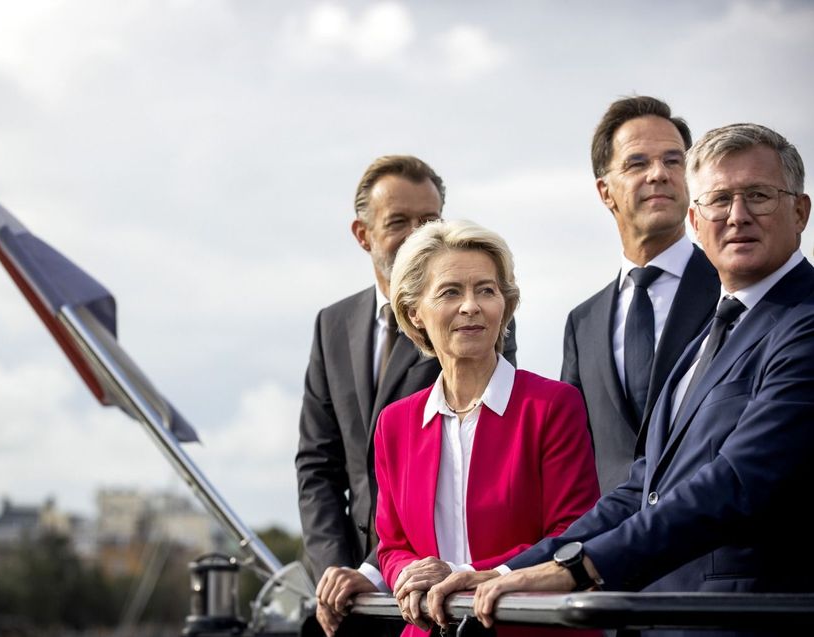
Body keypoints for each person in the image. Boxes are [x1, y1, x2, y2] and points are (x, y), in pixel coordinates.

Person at [437, 123, 813, 637]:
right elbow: (644, 486)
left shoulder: (805, 324)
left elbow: (738, 480)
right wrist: (512, 570)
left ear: (800, 211)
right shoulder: (712, 329)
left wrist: (579, 568)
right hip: (652, 616)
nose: (738, 215)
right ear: (696, 221)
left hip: (741, 620)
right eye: (720, 200)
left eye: (759, 196)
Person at [296, 156, 517, 635]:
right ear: (363, 233)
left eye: (429, 220)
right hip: (350, 592)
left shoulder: (469, 317)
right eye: (399, 222)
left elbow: (483, 449)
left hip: (436, 584)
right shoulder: (331, 325)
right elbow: (318, 464)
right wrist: (340, 574)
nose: (417, 233)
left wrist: (381, 571)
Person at [374, 219, 599, 636]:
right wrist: (412, 573)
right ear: (413, 312)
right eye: (450, 292)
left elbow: (572, 533)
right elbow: (392, 545)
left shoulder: (553, 406)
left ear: (505, 306)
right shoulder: (395, 424)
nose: (471, 306)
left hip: (531, 628)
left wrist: (462, 574)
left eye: (486, 290)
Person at [562, 96, 720, 494]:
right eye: (637, 163)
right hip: (608, 547)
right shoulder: (583, 324)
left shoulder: (731, 291)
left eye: (673, 160)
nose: (659, 174)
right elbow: (574, 456)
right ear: (605, 191)